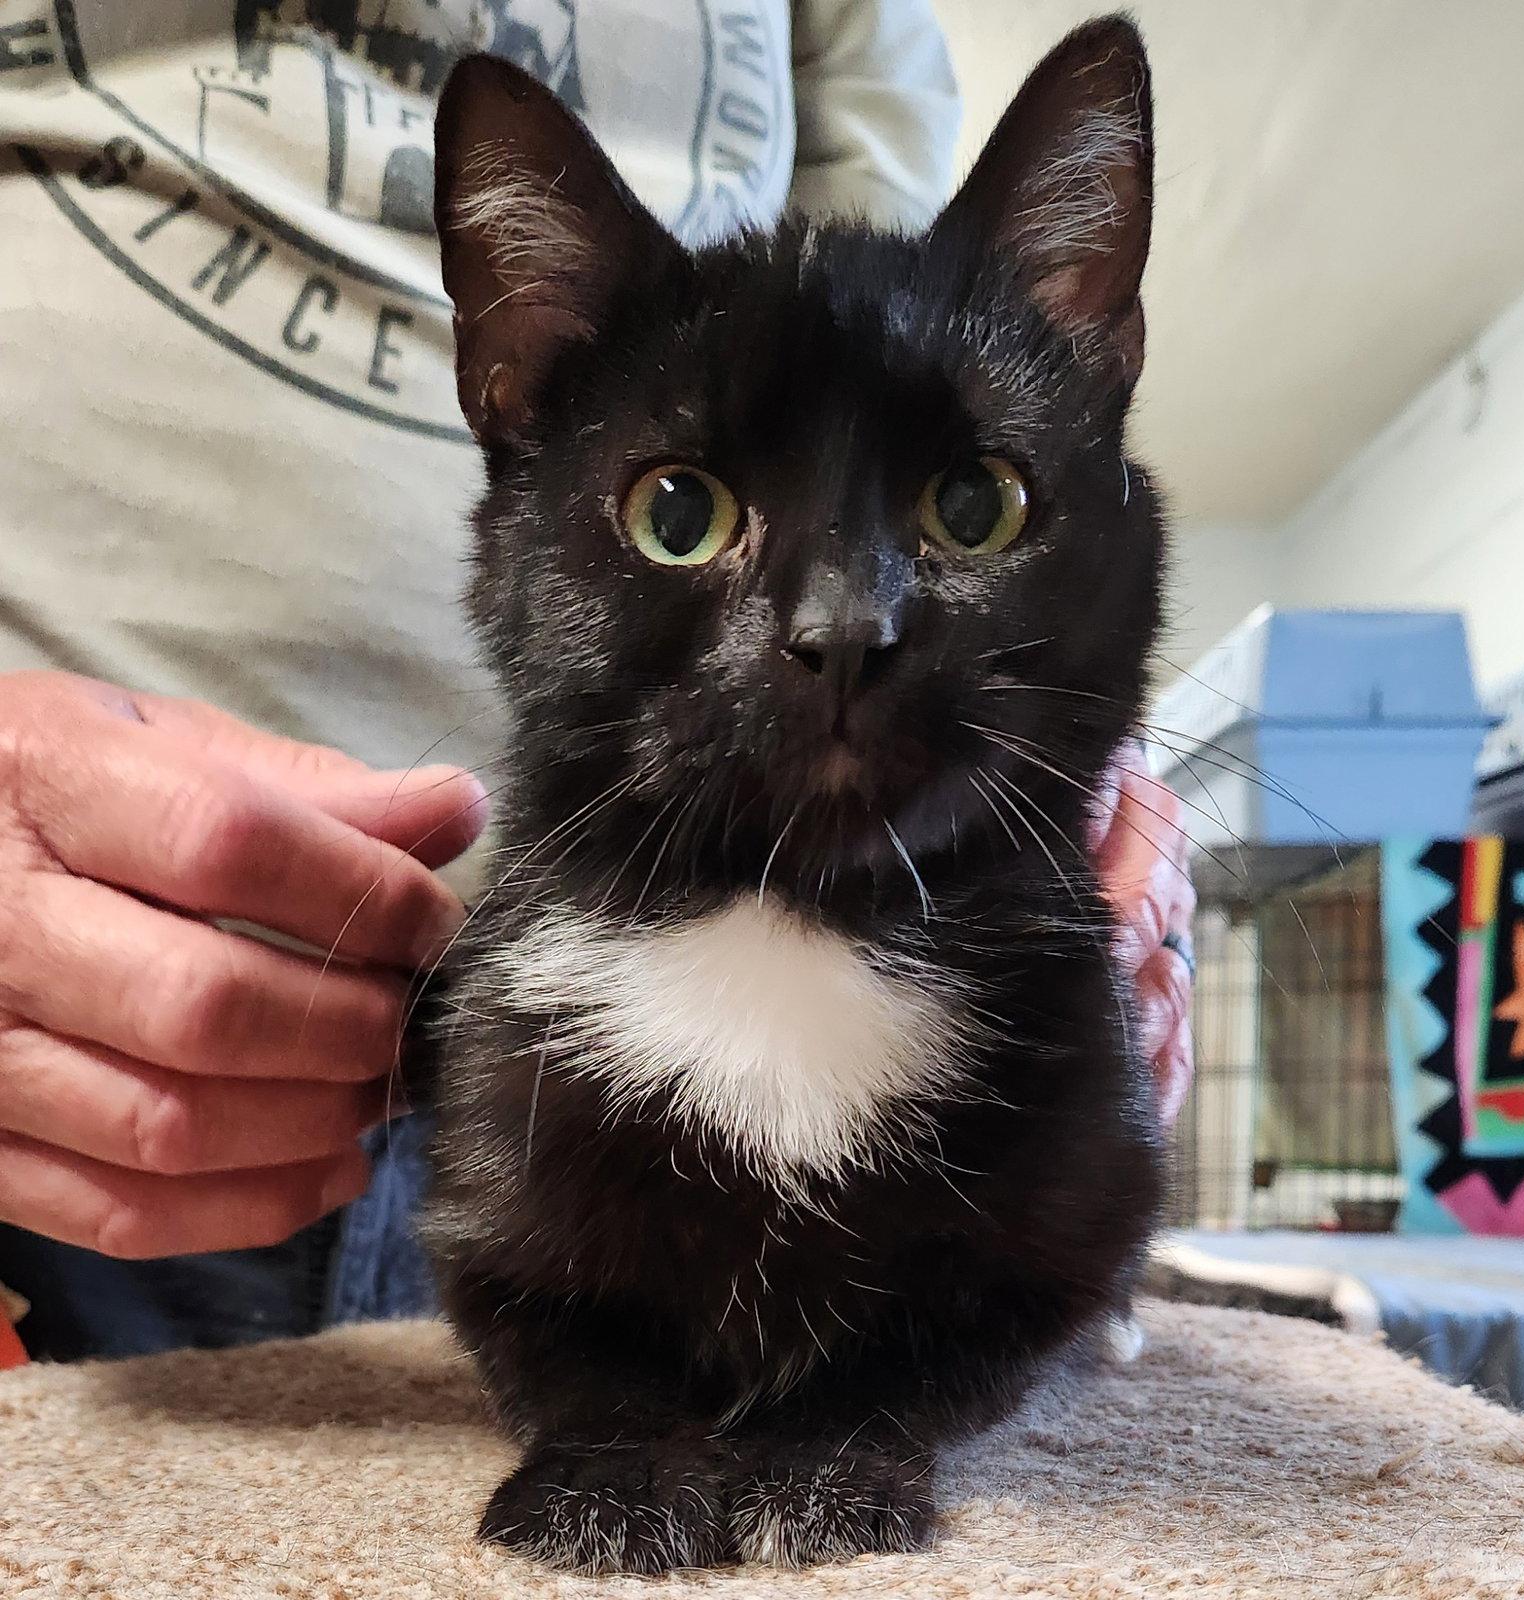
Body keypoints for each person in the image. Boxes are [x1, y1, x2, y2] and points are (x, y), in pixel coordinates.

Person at [0, 0, 1193, 1361]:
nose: (844, 627)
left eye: (966, 508)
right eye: (679, 517)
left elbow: (894, 342)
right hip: (70, 1070)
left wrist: (1066, 774)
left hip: (864, 1040)